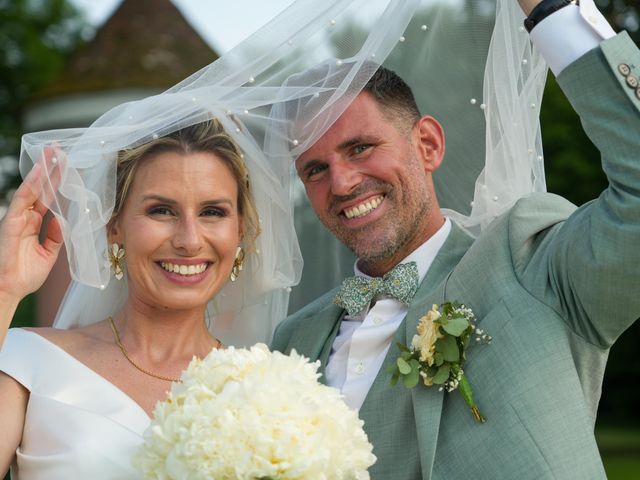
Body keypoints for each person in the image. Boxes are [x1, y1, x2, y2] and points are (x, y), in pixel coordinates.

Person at [272, 0, 640, 478]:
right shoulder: (292, 342)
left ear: (427, 144)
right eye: (315, 170)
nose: (341, 184)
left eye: (360, 148)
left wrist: (552, 11)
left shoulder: (531, 259)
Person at [0, 119, 298, 478]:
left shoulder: (268, 393)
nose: (189, 240)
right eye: (161, 210)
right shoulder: (29, 361)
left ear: (240, 232)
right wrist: (4, 290)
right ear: (115, 227)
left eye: (212, 212)